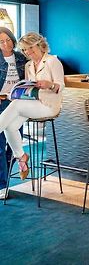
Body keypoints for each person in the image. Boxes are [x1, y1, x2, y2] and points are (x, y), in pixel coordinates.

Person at [0, 32, 65, 181]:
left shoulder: (52, 61)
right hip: (33, 103)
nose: (27, 52)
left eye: (30, 48)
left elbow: (60, 86)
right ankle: (21, 156)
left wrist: (50, 85)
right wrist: (15, 93)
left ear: (39, 45)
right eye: (24, 49)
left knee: (16, 105)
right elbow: (28, 89)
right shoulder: (28, 65)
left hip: (49, 105)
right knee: (10, 126)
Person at [0, 28, 27, 200]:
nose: (6, 44)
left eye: (8, 40)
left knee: (15, 144)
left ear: (13, 39)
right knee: (0, 145)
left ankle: (6, 179)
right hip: (1, 102)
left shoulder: (21, 58)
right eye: (1, 41)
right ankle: (1, 185)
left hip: (18, 103)